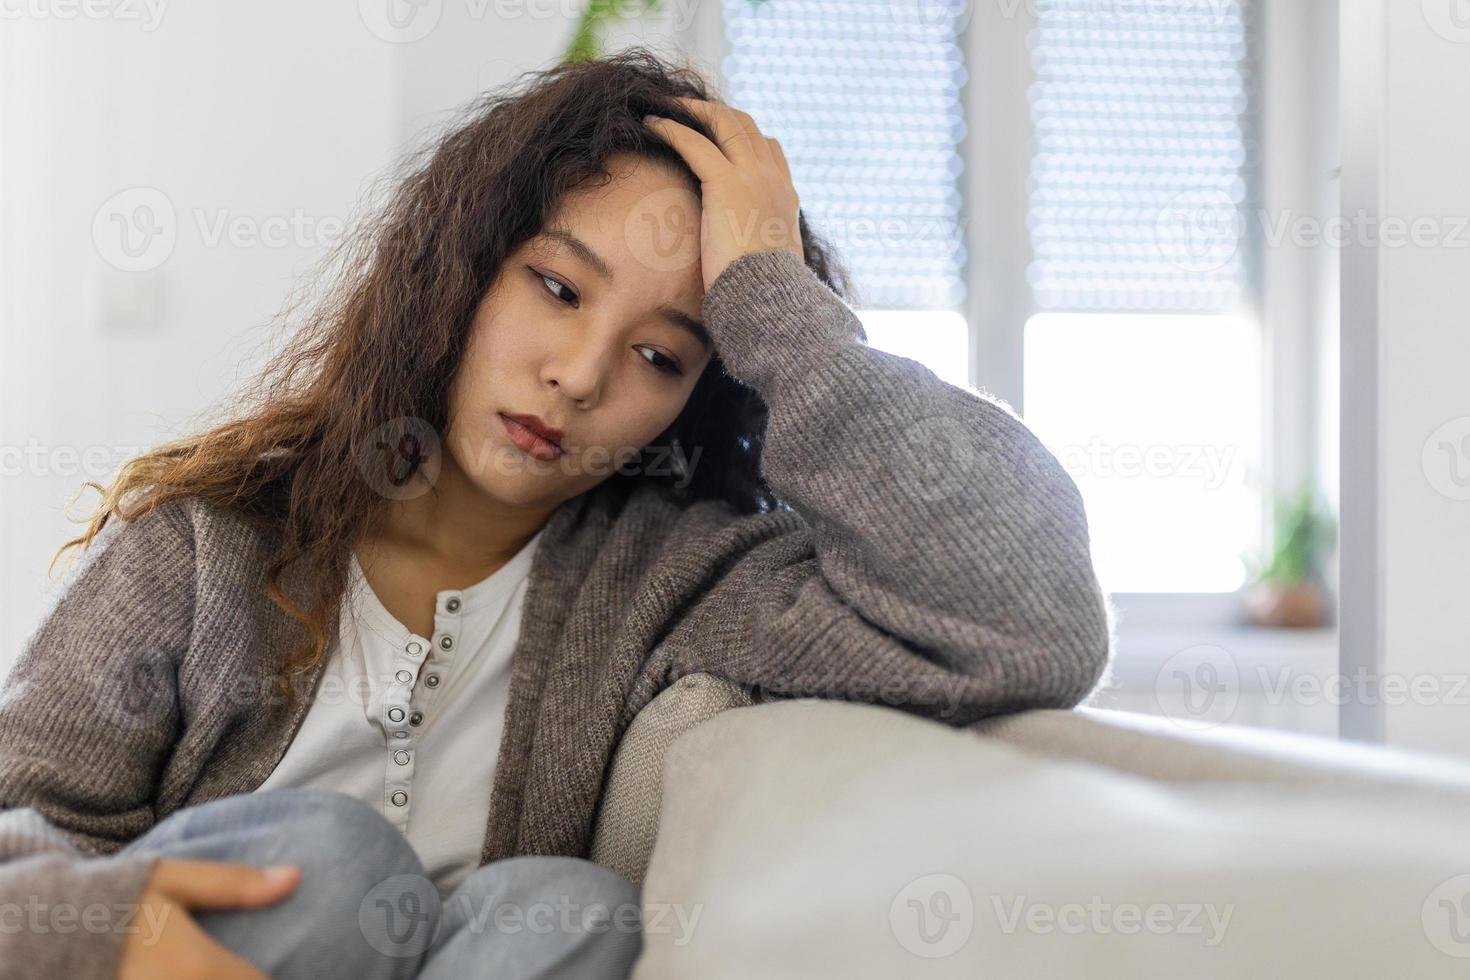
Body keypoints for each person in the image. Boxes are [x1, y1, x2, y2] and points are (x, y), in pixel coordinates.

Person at [0, 47, 1115, 980]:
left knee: (569, 910)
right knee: (337, 866)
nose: (580, 377)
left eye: (659, 353)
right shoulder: (208, 549)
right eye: (559, 287)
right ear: (464, 269)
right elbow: (20, 818)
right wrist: (104, 924)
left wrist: (780, 306)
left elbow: (1030, 619)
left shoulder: (676, 587)